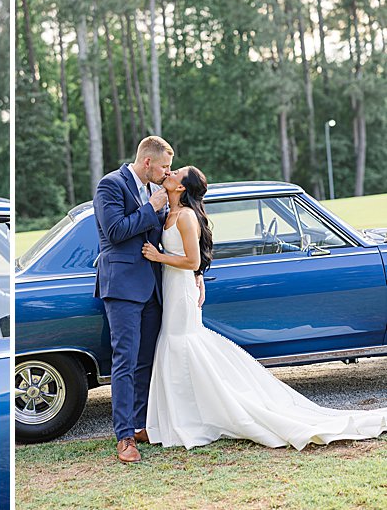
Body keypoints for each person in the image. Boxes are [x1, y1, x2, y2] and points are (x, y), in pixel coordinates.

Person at [141, 167, 387, 449]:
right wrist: (185, 269)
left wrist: (161, 258)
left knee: (183, 345)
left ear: (182, 188)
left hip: (180, 287)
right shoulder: (169, 212)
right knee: (180, 345)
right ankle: (184, 419)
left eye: (176, 172)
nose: (170, 172)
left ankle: (187, 419)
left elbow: (193, 260)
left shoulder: (185, 216)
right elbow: (193, 261)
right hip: (175, 288)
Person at [92, 135, 173, 463]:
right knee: (124, 361)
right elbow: (115, 231)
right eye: (164, 167)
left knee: (145, 360)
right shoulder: (110, 185)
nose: (167, 173)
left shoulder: (155, 190)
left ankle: (140, 425)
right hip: (122, 286)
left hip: (152, 286)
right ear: (147, 162)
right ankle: (124, 437)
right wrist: (151, 208)